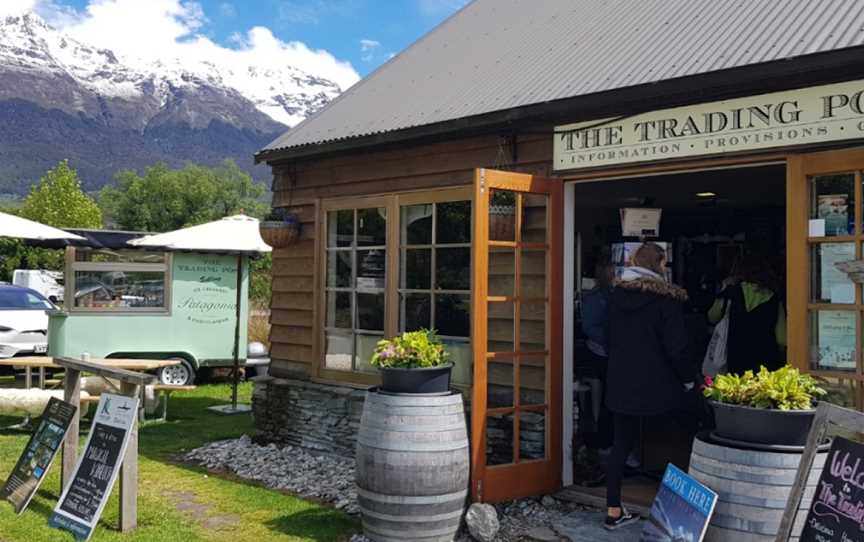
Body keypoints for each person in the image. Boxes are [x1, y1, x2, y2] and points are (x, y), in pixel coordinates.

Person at [604, 243, 698, 530]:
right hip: (661, 384)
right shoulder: (666, 300)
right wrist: (689, 379)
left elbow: (608, 338)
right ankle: (682, 515)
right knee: (685, 438)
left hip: (622, 381)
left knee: (620, 444)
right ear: (659, 263)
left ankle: (613, 511)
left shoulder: (616, 296)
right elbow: (677, 347)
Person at [707, 253, 786, 375]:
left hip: (736, 359)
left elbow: (712, 317)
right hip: (766, 362)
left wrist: (724, 288)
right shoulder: (774, 298)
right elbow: (782, 339)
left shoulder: (730, 293)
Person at [580, 259, 615, 454]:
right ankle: (603, 441)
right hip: (600, 352)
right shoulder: (595, 298)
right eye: (612, 271)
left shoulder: (614, 294)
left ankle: (609, 440)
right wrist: (610, 340)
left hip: (612, 351)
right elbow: (589, 327)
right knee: (607, 398)